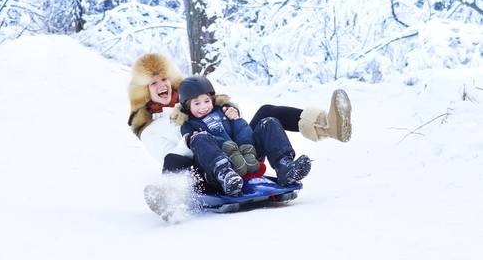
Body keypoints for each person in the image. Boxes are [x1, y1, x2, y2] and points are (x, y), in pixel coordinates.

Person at [127, 53, 352, 218]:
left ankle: (326, 127)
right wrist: (196, 135)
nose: (161, 85)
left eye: (163, 78)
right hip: (208, 169)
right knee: (173, 159)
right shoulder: (150, 129)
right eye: (153, 83)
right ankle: (169, 199)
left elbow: (231, 124)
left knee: (266, 114)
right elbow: (173, 157)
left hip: (240, 155)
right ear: (143, 91)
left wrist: (227, 114)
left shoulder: (194, 98)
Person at [179, 76, 261, 178]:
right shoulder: (189, 124)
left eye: (207, 101)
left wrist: (235, 117)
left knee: (246, 123)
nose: (203, 107)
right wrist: (191, 137)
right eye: (197, 103)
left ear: (212, 100)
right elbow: (191, 142)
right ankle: (225, 174)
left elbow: (240, 129)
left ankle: (250, 154)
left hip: (241, 152)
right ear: (187, 106)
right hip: (219, 159)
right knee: (200, 138)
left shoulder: (222, 111)